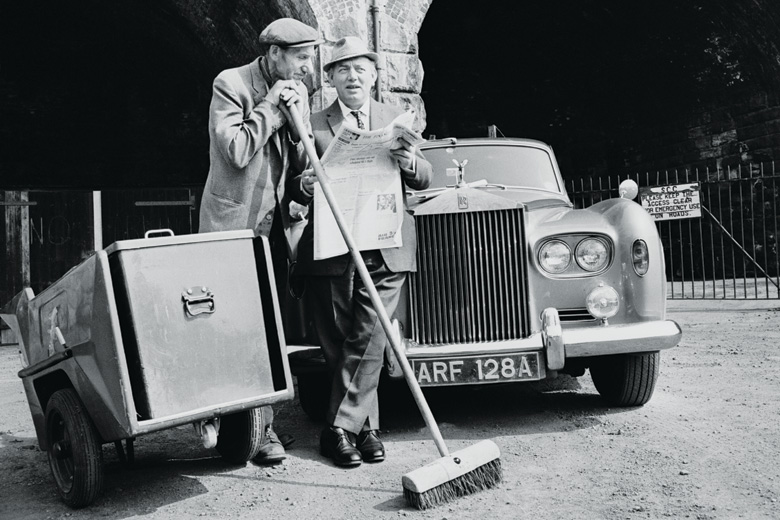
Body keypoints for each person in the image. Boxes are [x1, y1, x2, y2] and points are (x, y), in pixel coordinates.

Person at [288, 37, 433, 467]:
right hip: (332, 249)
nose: (354, 76)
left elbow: (424, 177)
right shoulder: (309, 123)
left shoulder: (397, 119)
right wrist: (305, 185)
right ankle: (363, 431)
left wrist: (408, 161)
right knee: (338, 343)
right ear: (329, 78)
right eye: (343, 69)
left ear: (375, 76)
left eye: (362, 69)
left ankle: (337, 428)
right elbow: (290, 187)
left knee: (371, 334)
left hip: (387, 245)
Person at [199, 17, 322, 464]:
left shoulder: (298, 92)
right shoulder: (230, 84)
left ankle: (261, 427)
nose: (307, 70)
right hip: (230, 229)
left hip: (271, 229)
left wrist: (300, 187)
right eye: (301, 59)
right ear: (274, 55)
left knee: (267, 326)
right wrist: (271, 106)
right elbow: (235, 150)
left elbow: (293, 157)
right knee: (231, 328)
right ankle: (236, 427)